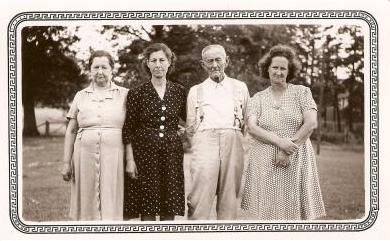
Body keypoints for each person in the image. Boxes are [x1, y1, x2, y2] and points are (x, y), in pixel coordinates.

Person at [241, 44, 326, 220]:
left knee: (294, 212)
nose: (278, 72)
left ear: (289, 71)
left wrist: (289, 149)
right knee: (269, 213)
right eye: (275, 67)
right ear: (267, 69)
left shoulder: (302, 92)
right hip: (265, 160)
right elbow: (252, 127)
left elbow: (311, 123)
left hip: (296, 157)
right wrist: (280, 143)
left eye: (283, 68)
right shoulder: (257, 98)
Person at [61, 50, 129, 220]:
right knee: (86, 199)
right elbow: (71, 130)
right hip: (84, 155)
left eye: (104, 67)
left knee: (112, 197)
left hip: (115, 154)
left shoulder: (125, 94)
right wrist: (66, 163)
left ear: (112, 70)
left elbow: (132, 128)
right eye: (95, 67)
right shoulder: (80, 96)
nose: (100, 71)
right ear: (90, 70)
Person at [122, 43, 186, 221]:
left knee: (169, 205)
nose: (158, 64)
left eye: (162, 60)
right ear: (147, 64)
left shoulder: (179, 91)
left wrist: (181, 131)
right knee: (148, 207)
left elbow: (192, 118)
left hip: (171, 155)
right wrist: (129, 160)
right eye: (154, 60)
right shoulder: (136, 93)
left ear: (169, 62)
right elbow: (128, 129)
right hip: (145, 155)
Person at [186, 44, 249, 220]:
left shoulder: (240, 87)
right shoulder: (195, 91)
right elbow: (192, 127)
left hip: (233, 141)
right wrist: (203, 145)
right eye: (209, 61)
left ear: (226, 61)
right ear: (203, 64)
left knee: (229, 197)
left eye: (218, 60)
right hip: (205, 142)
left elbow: (248, 122)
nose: (214, 65)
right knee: (199, 197)